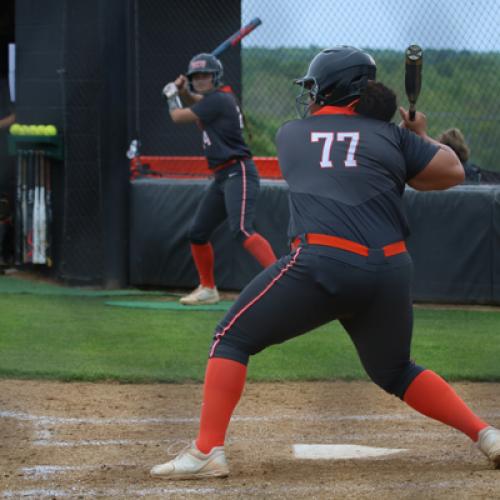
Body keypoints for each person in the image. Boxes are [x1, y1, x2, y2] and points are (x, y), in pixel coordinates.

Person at [151, 46, 500, 479]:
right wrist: (419, 135)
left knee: (230, 337)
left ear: (336, 89)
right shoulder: (392, 137)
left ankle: (206, 451)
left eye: (316, 88)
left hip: (323, 264)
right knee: (395, 369)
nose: (310, 96)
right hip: (390, 272)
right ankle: (487, 434)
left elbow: (345, 153)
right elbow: (449, 173)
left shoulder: (291, 134)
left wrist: (397, 141)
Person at [162, 53, 277, 305]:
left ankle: (282, 282)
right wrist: (182, 92)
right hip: (222, 175)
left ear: (216, 77)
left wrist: (172, 95)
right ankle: (208, 288)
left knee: (243, 230)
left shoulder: (219, 99)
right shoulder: (214, 100)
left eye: (205, 75)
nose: (201, 80)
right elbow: (197, 102)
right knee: (198, 232)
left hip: (239, 171)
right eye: (196, 77)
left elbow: (178, 116)